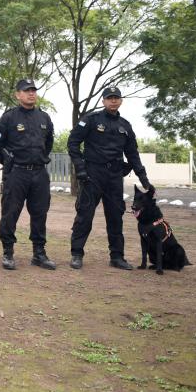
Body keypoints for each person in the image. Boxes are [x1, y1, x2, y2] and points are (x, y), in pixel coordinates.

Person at [67, 86, 152, 270]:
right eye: (109, 98)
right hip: (93, 174)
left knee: (116, 216)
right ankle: (77, 254)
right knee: (85, 214)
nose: (113, 101)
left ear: (121, 101)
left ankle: (117, 256)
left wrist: (143, 178)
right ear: (103, 101)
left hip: (114, 176)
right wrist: (80, 168)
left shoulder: (125, 126)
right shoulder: (91, 120)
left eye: (116, 98)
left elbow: (132, 153)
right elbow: (73, 143)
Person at [0, 78, 56, 271]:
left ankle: (39, 253)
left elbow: (49, 142)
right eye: (27, 91)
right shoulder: (9, 118)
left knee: (40, 213)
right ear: (18, 94)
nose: (31, 93)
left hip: (39, 173)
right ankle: (8, 253)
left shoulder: (44, 118)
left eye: (33, 90)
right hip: (16, 173)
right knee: (10, 213)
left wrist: (40, 157)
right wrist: (7, 161)